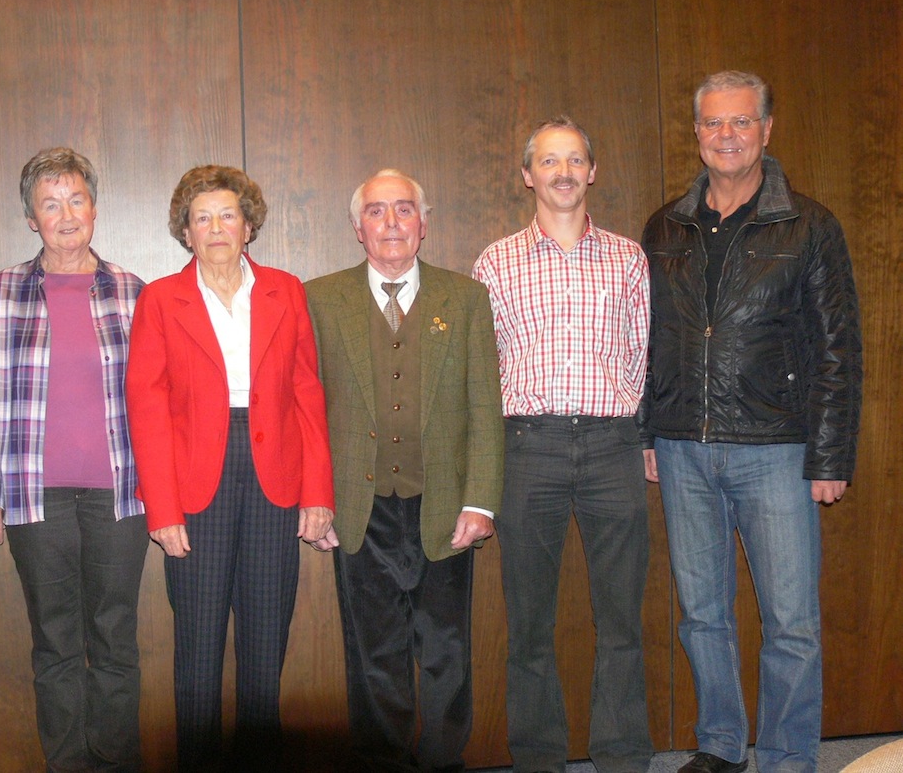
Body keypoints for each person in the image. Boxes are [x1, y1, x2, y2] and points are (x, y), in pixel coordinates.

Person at [640, 71, 862, 773]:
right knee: (702, 614)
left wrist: (831, 457)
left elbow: (838, 347)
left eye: (741, 121)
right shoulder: (665, 227)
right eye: (713, 122)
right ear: (697, 133)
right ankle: (720, 745)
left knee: (791, 623)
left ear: (766, 130)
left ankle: (788, 759)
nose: (726, 135)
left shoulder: (811, 225)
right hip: (683, 448)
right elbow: (647, 338)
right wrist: (649, 431)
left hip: (776, 450)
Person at [125, 164, 334, 770]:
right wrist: (162, 509)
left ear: (248, 225)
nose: (216, 228)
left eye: (227, 215)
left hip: (275, 477)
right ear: (186, 231)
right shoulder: (160, 299)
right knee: (197, 647)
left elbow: (307, 393)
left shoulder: (285, 290)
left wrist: (318, 492)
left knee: (266, 643)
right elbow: (147, 409)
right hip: (196, 483)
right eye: (202, 218)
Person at [304, 169, 504, 772]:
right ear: (357, 227)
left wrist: (481, 500)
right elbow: (303, 408)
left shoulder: (464, 298)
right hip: (357, 508)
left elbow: (484, 405)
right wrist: (315, 499)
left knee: (447, 650)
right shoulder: (319, 299)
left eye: (403, 210)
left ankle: (444, 761)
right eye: (376, 211)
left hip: (444, 505)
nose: (390, 223)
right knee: (373, 654)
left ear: (424, 223)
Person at [472, 118, 653, 773]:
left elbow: (643, 355)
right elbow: (482, 368)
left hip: (612, 446)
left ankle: (623, 756)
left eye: (575, 160)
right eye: (549, 161)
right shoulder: (495, 262)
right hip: (528, 447)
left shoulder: (628, 258)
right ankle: (539, 758)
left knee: (622, 620)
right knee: (528, 624)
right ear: (528, 175)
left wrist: (638, 435)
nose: (564, 172)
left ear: (592, 171)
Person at [0, 147, 149, 772]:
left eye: (76, 199)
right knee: (54, 645)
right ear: (32, 219)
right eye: (50, 205)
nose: (67, 214)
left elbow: (158, 397)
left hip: (121, 495)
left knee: (114, 641)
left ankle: (114, 762)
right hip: (34, 495)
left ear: (95, 208)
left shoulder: (133, 290)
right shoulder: (2, 291)